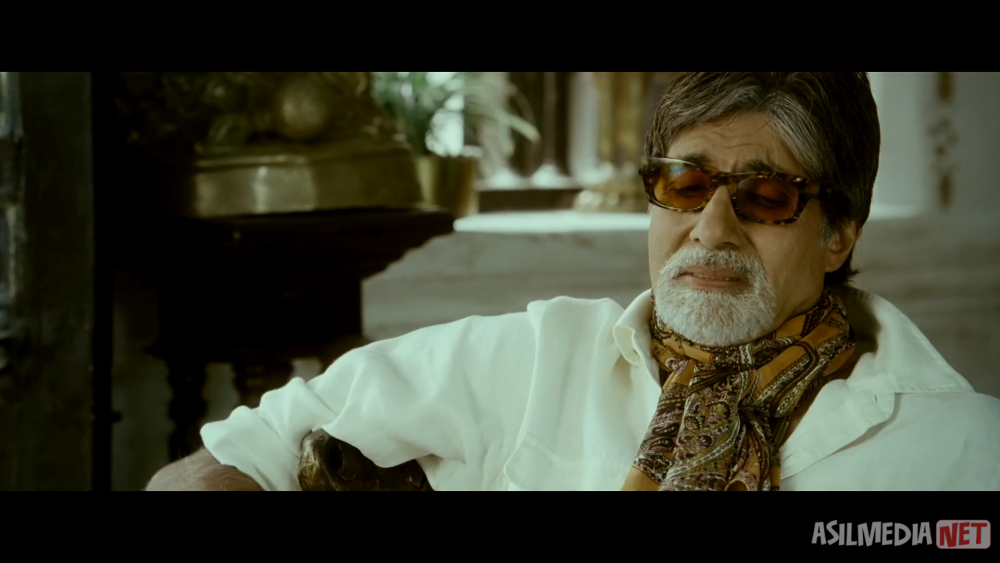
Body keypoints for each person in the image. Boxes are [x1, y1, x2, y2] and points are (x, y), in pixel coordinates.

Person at [146, 72, 1000, 491]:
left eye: (766, 195)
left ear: (839, 232)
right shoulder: (528, 357)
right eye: (685, 183)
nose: (712, 228)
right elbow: (229, 459)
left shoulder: (964, 448)